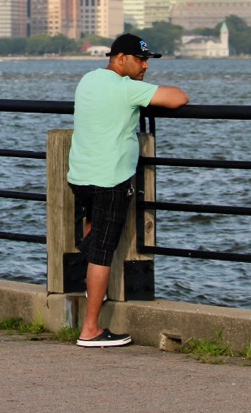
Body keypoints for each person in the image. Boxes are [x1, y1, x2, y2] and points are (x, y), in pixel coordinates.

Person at [69, 33, 189, 348]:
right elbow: (179, 98)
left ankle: (92, 294)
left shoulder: (88, 81)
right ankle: (90, 330)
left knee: (93, 239)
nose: (145, 66)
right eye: (140, 59)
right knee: (102, 253)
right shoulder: (126, 89)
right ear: (120, 58)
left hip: (81, 175)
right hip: (111, 179)